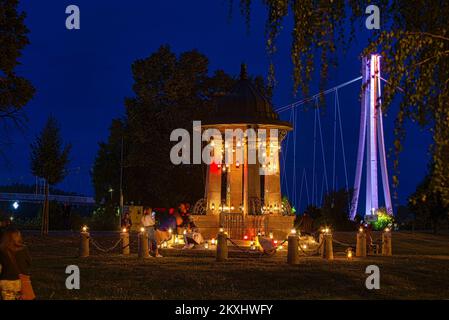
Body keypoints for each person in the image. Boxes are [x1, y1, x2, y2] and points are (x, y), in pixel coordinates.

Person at [0, 228, 35, 300]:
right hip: (20, 281)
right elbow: (29, 263)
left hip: (6, 281)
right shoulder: (23, 249)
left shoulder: (2, 250)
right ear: (18, 237)